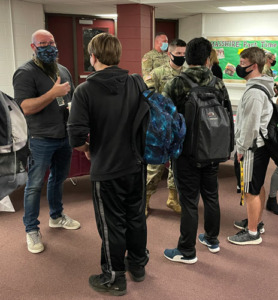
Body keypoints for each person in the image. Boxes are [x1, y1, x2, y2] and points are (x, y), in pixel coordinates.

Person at [68, 33, 149, 296]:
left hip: (107, 169)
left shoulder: (85, 90)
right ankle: (137, 265)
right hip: (137, 164)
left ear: (93, 56)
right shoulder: (137, 82)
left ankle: (114, 277)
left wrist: (89, 149)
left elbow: (76, 138)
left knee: (111, 224)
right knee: (135, 217)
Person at [163, 37, 233, 264]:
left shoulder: (176, 84)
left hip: (186, 153)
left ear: (186, 57)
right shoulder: (218, 83)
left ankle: (187, 250)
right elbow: (228, 118)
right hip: (213, 150)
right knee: (211, 196)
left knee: (190, 202)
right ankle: (212, 239)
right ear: (206, 58)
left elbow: (164, 121)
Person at [13, 29, 80, 254]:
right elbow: (26, 108)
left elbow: (70, 98)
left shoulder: (62, 70)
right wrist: (53, 93)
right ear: (33, 47)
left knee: (58, 179)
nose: (49, 46)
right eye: (43, 43)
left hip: (64, 136)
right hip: (40, 138)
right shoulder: (25, 73)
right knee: (34, 186)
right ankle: (31, 230)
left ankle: (57, 216)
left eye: (51, 42)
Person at [228, 47, 274, 245]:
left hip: (252, 148)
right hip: (259, 147)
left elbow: (250, 126)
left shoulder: (255, 92)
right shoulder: (261, 85)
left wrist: (240, 148)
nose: (239, 67)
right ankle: (257, 221)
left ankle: (253, 232)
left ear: (254, 66)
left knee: (250, 190)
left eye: (242, 64)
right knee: (257, 185)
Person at [144, 38, 187, 216]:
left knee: (177, 166)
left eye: (184, 54)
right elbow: (147, 98)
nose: (181, 57)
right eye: (178, 54)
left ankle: (172, 198)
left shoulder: (188, 74)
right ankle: (144, 200)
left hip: (179, 126)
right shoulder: (157, 73)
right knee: (155, 167)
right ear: (169, 54)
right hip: (160, 128)